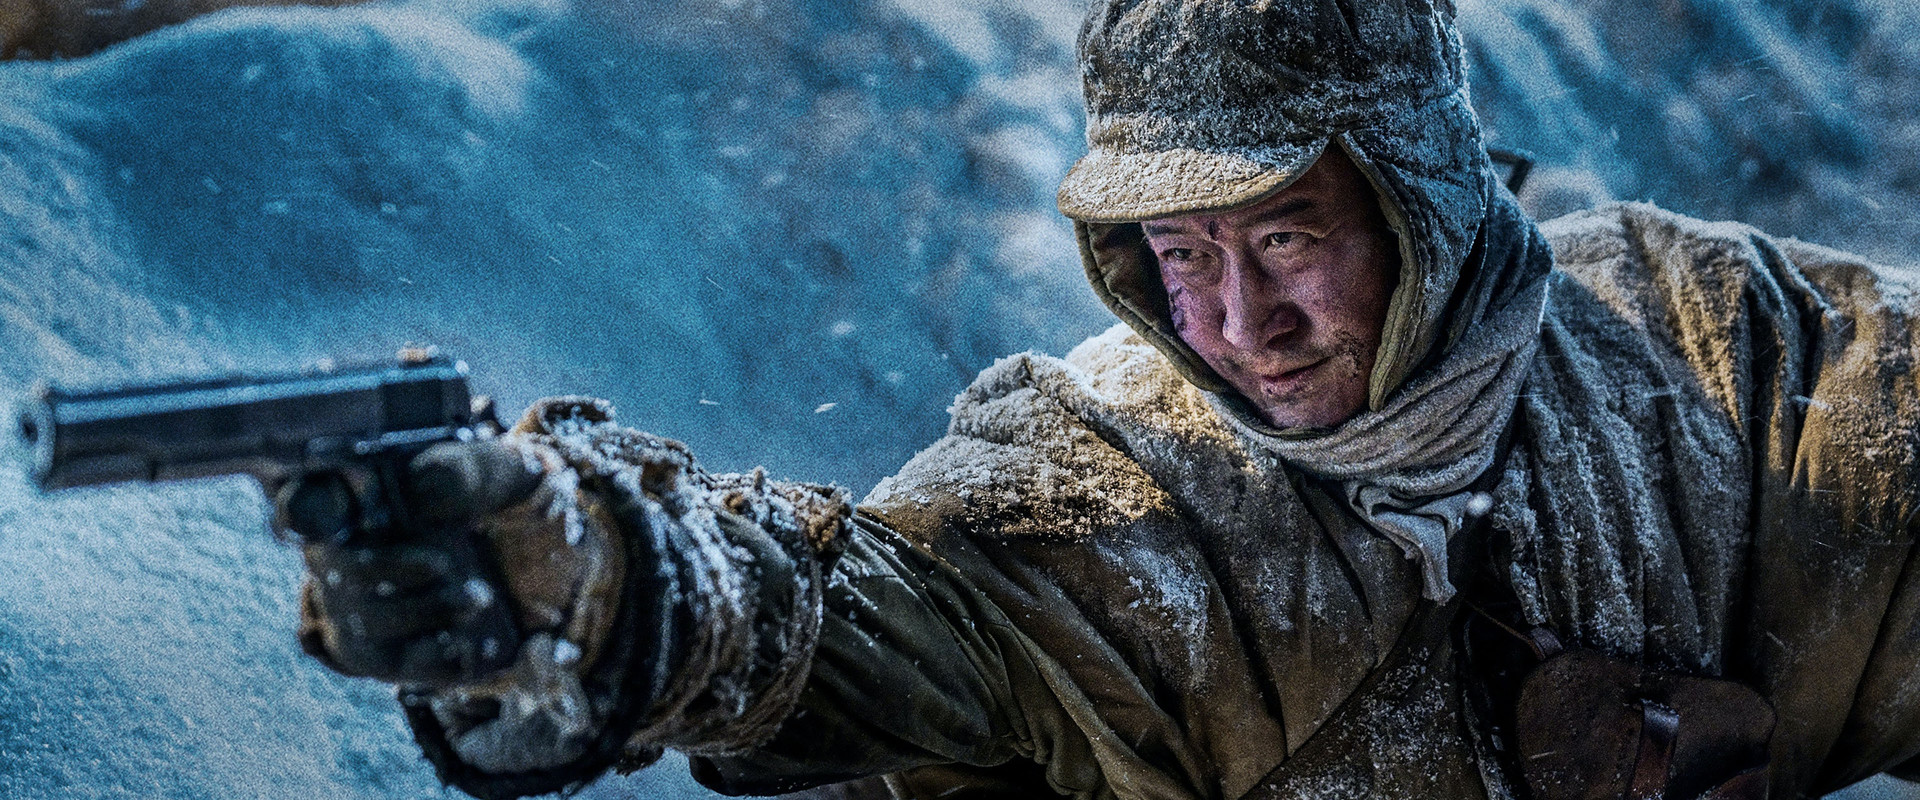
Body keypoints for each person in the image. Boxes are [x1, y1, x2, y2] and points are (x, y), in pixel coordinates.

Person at [275, 0, 1920, 798]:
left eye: (1288, 236)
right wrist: (604, 580)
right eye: (1182, 253)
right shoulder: (1106, 497)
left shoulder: (1701, 348)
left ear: (1423, 201)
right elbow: (849, 617)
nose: (1240, 323)